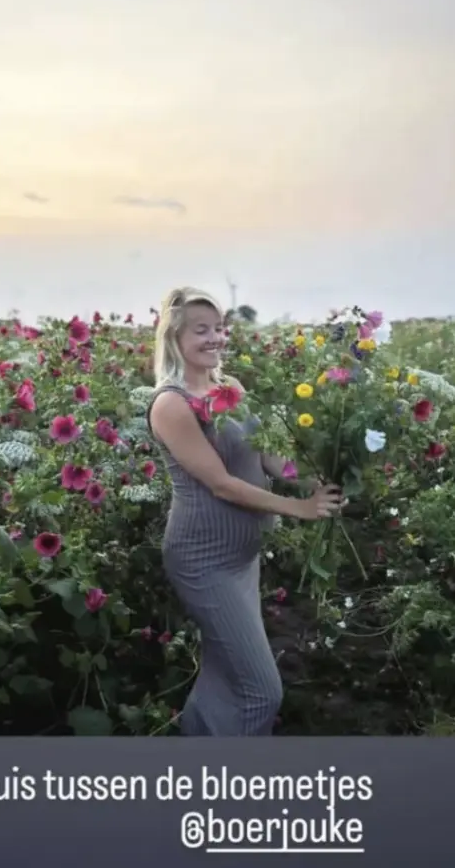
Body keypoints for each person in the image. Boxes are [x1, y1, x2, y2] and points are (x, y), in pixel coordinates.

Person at [147, 287, 343, 736]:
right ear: (174, 337)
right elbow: (221, 483)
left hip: (240, 556)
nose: (216, 338)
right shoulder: (171, 403)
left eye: (219, 328)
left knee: (223, 672)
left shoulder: (228, 387)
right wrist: (299, 508)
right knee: (261, 690)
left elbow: (268, 456)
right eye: (202, 330)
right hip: (203, 559)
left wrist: (312, 481)